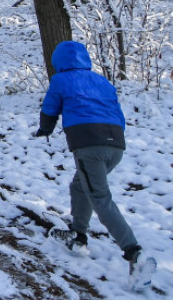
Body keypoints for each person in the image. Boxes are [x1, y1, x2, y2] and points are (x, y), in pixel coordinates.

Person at [34, 40, 147, 282]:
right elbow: (117, 112)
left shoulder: (61, 80)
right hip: (115, 143)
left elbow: (50, 109)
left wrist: (45, 129)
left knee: (100, 197)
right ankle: (78, 235)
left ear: (58, 62)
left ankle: (134, 252)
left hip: (89, 145)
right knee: (80, 186)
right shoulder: (102, 81)